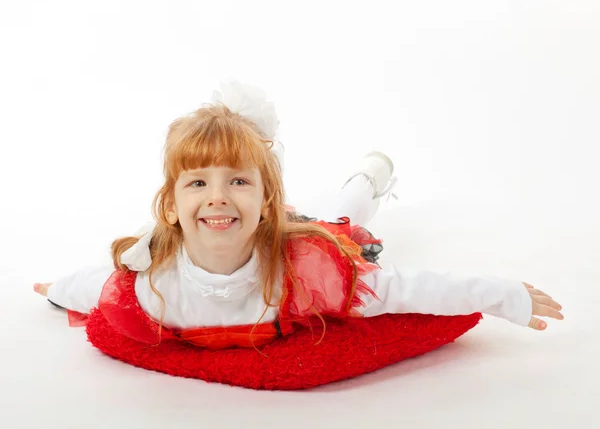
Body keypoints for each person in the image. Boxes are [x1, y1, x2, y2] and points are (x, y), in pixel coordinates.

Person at [33, 80, 563, 350]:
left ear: (265, 199)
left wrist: (503, 295)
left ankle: (366, 182)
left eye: (237, 181)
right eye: (198, 183)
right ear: (172, 206)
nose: (217, 197)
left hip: (292, 237)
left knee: (339, 224)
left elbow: (408, 288)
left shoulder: (306, 270)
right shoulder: (152, 280)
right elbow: (92, 285)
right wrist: (56, 288)